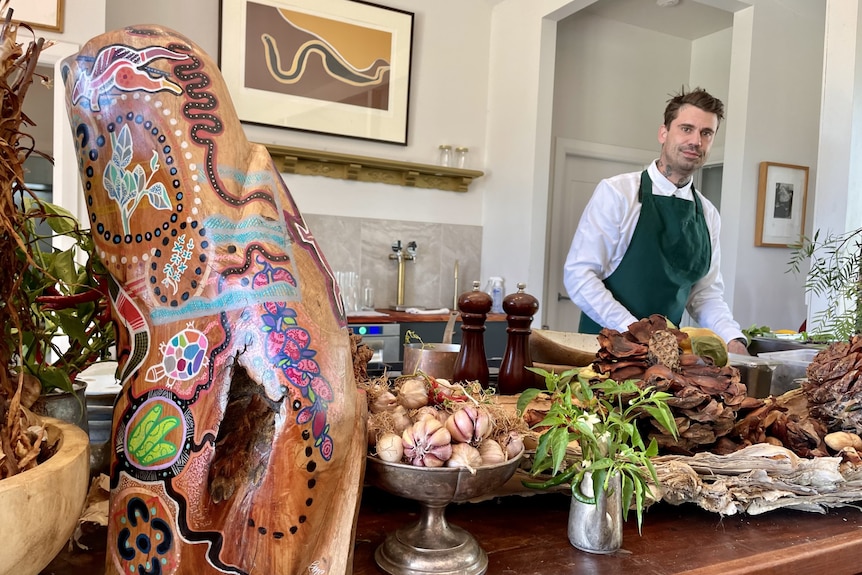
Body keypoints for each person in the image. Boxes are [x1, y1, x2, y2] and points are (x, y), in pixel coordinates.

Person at [563, 86, 748, 355]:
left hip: (666, 359)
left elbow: (703, 294)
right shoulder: (618, 193)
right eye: (686, 129)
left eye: (706, 133)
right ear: (664, 132)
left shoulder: (708, 215)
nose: (696, 140)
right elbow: (579, 276)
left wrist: (732, 339)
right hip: (604, 351)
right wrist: (634, 330)